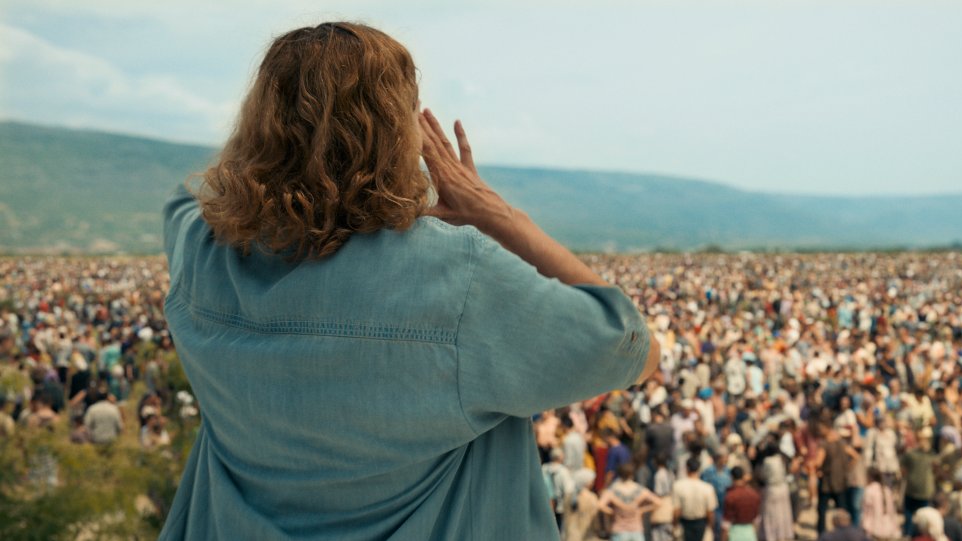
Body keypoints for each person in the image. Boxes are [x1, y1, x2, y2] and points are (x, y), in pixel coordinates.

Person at [157, 21, 659, 541]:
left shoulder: (204, 254)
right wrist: (499, 216)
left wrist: (276, 148)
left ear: (258, 127)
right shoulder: (459, 280)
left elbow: (187, 199)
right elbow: (634, 348)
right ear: (401, 134)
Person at [598, 462, 661, 541]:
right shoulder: (639, 489)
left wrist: (612, 512)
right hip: (636, 530)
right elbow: (658, 502)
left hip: (619, 529)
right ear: (632, 474)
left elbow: (600, 505)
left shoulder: (613, 490)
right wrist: (642, 510)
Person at [673, 456, 717, 541]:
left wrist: (675, 525)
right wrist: (710, 527)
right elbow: (710, 512)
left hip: (685, 524)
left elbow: (677, 511)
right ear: (699, 469)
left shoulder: (678, 486)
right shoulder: (707, 488)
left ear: (686, 469)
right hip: (701, 524)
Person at [723, 466, 761, 541]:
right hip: (750, 533)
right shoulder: (754, 494)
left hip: (734, 533)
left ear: (731, 477)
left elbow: (726, 523)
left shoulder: (730, 496)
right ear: (743, 477)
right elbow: (757, 519)